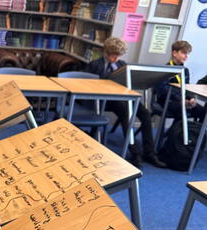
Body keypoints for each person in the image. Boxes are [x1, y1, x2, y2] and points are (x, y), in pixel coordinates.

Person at [86, 37, 166, 168]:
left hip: (122, 98)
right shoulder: (94, 65)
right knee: (126, 111)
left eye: (118, 55)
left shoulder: (123, 65)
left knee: (145, 113)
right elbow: (87, 85)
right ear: (105, 52)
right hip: (103, 100)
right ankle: (134, 153)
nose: (115, 58)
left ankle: (150, 152)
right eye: (113, 55)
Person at [155, 40, 206, 123]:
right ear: (174, 53)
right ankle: (175, 135)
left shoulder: (185, 70)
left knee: (203, 112)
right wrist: (180, 100)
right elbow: (163, 90)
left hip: (182, 101)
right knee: (182, 111)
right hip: (167, 101)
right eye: (184, 53)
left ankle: (196, 134)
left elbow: (187, 88)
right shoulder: (165, 69)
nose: (186, 56)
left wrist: (191, 98)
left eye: (188, 54)